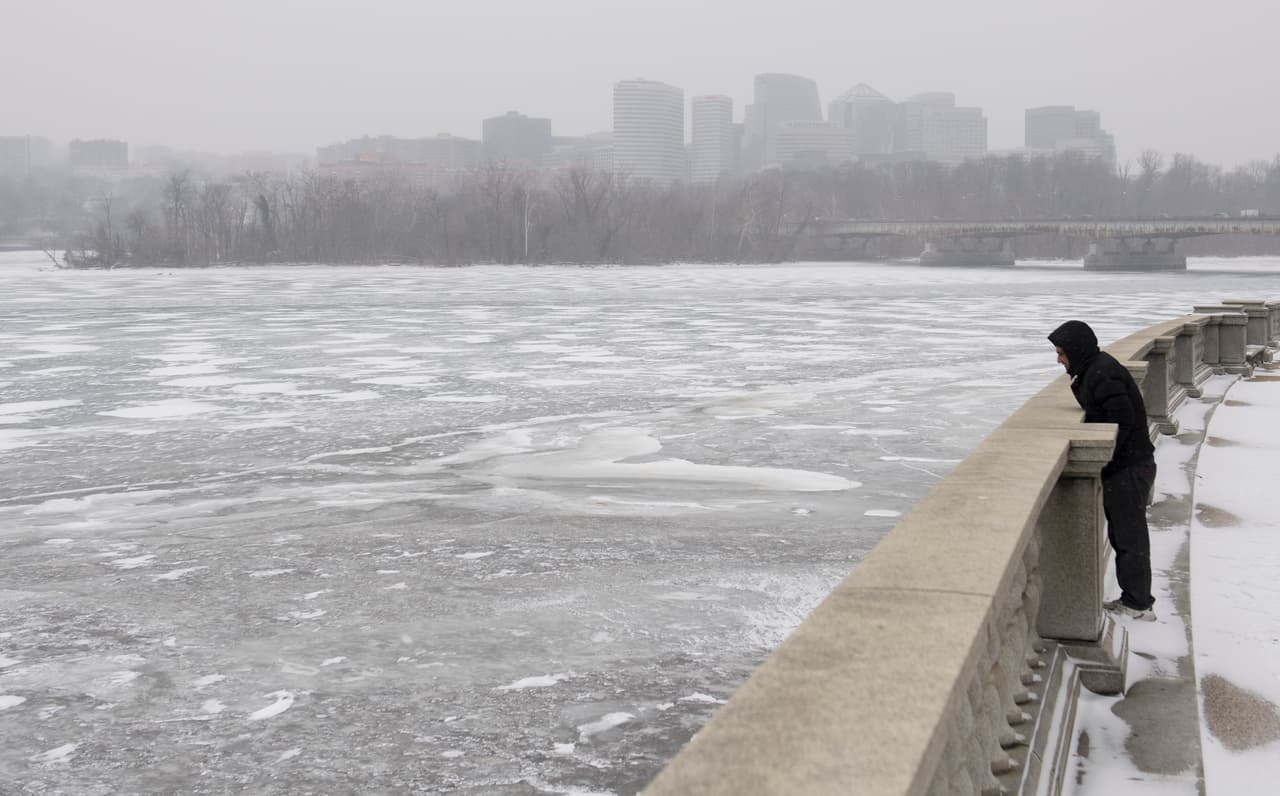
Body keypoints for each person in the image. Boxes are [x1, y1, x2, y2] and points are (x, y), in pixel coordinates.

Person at [1048, 320, 1158, 622]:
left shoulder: (1102, 373)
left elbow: (1120, 424)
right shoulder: (1093, 368)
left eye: (1061, 352)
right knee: (1126, 535)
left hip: (1129, 467)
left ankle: (1139, 604)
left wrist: (1106, 460)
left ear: (1076, 350)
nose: (1058, 359)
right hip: (1128, 465)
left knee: (1129, 537)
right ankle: (1136, 598)